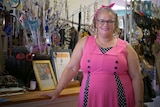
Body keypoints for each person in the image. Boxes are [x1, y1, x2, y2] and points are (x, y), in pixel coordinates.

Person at [39, 5, 144, 107]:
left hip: (120, 98)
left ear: (115, 24)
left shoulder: (126, 47)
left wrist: (139, 103)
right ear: (96, 23)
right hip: (90, 98)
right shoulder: (84, 43)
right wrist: (57, 91)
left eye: (110, 21)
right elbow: (71, 68)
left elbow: (136, 77)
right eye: (102, 21)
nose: (105, 25)